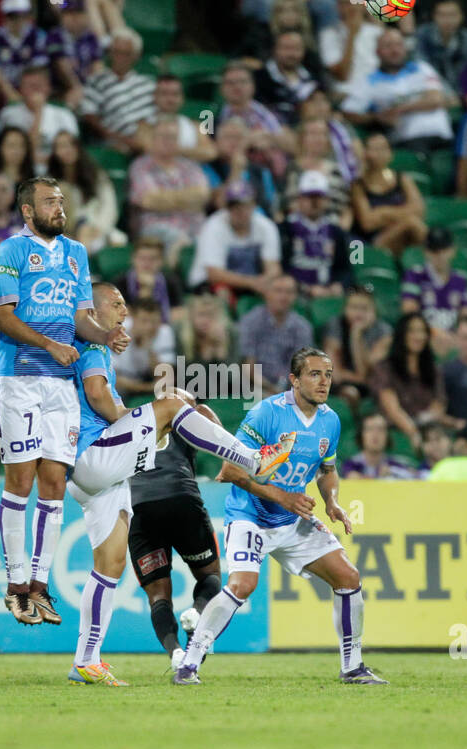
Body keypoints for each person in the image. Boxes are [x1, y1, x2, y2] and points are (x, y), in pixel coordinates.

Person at [66, 284, 297, 684]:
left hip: (90, 476)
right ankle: (253, 458)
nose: (125, 311)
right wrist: (138, 422)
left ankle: (86, 659)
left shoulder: (83, 345)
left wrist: (140, 429)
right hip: (95, 455)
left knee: (109, 566)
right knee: (174, 402)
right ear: (93, 310)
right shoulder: (93, 350)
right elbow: (99, 396)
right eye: (116, 304)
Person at [175, 347, 384, 685]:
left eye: (328, 375)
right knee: (243, 585)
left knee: (348, 578)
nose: (323, 382)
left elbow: (327, 470)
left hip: (290, 521)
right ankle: (189, 662)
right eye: (314, 374)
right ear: (294, 379)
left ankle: (353, 666)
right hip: (250, 514)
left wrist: (331, 501)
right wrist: (282, 496)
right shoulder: (266, 414)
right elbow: (230, 471)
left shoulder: (330, 419)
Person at [0, 177, 127, 625]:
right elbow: (3, 317)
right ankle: (14, 584)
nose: (59, 208)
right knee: (21, 481)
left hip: (59, 385)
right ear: (27, 211)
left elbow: (79, 318)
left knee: (53, 483)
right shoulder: (10, 252)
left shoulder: (76, 254)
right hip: (19, 379)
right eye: (49, 202)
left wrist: (105, 335)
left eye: (62, 201)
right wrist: (50, 344)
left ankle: (40, 586)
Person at [128, 405, 226, 668]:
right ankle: (197, 612)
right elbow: (216, 431)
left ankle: (176, 654)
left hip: (138, 505)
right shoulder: (186, 421)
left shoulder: (129, 425)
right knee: (210, 576)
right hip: (181, 496)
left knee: (158, 596)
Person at [340, 28, 452, 156]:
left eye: (399, 44)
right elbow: (348, 112)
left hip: (443, 137)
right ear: (377, 52)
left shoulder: (421, 68)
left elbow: (435, 100)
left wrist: (398, 109)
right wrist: (377, 117)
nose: (395, 50)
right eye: (388, 46)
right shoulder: (368, 81)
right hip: (407, 142)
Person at [128, 116, 212, 268]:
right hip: (157, 227)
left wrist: (164, 198)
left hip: (195, 227)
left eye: (173, 137)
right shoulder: (141, 166)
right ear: (153, 139)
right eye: (163, 137)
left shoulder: (189, 166)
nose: (168, 141)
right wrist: (187, 199)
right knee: (178, 240)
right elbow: (148, 200)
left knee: (213, 237)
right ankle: (173, 284)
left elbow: (203, 195)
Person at [187, 181, 282, 300]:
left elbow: (273, 266)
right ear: (227, 208)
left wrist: (265, 280)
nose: (241, 211)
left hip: (252, 283)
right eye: (235, 207)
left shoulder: (265, 226)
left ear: (254, 205)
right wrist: (252, 283)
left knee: (279, 290)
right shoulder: (213, 227)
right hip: (208, 283)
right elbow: (214, 274)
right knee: (222, 293)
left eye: (245, 206)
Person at [370, 312, 445, 452]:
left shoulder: (433, 369)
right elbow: (392, 409)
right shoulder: (385, 368)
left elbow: (439, 403)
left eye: (422, 331)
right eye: (412, 331)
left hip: (428, 429)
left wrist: (427, 426)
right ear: (402, 335)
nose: (419, 336)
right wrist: (414, 432)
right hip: (398, 431)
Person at [78, 29, 157, 155]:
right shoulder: (97, 81)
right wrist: (117, 138)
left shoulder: (148, 83)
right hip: (120, 140)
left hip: (152, 136)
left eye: (125, 53)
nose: (119, 58)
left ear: (135, 56)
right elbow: (89, 116)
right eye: (116, 52)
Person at [350, 130, 427, 255]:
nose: (379, 153)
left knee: (414, 223)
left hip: (403, 236)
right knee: (411, 222)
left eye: (383, 148)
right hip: (372, 241)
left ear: (391, 153)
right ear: (365, 153)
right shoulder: (358, 185)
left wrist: (383, 212)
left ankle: (433, 265)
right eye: (374, 149)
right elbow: (367, 223)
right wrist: (403, 213)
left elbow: (419, 210)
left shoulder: (402, 178)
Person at [238, 273, 314, 395]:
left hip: (291, 388)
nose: (283, 297)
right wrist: (269, 388)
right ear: (267, 293)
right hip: (256, 386)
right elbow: (248, 366)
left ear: (295, 296)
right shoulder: (250, 321)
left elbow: (300, 368)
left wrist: (285, 390)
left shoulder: (303, 327)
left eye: (289, 292)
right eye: (278, 291)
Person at [46, 131, 120, 254]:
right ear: (54, 152)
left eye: (71, 145)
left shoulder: (96, 175)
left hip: (95, 229)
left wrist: (99, 228)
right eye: (62, 146)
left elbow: (109, 207)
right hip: (65, 231)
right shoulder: (49, 181)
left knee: (90, 238)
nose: (67, 150)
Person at [282, 171, 352, 296]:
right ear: (300, 199)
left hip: (328, 292)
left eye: (318, 197)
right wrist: (304, 288)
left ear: (327, 200)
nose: (314, 202)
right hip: (294, 293)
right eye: (309, 197)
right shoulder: (285, 228)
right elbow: (281, 268)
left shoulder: (335, 231)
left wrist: (339, 284)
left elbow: (345, 268)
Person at [324, 286, 392, 410]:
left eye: (364, 308)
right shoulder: (335, 325)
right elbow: (335, 373)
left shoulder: (383, 331)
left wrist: (356, 335)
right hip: (343, 384)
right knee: (349, 392)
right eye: (354, 307)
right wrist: (361, 379)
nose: (359, 313)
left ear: (374, 310)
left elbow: (366, 372)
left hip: (375, 385)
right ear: (345, 309)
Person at [0, 0, 50, 105]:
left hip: (30, 87)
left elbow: (39, 68)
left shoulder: (37, 35)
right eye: (12, 16)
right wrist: (10, 93)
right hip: (3, 90)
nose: (18, 20)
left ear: (28, 16)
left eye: (22, 16)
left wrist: (27, 92)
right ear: (4, 17)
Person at [400, 226, 467, 326]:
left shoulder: (461, 280)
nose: (439, 255)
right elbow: (409, 313)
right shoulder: (414, 275)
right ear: (425, 252)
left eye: (444, 250)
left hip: (454, 337)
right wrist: (434, 333)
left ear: (453, 250)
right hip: (424, 336)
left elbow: (466, 315)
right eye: (434, 251)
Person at [415, 0, 467, 94]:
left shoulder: (466, 38)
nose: (448, 20)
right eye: (442, 15)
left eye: (452, 15)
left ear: (461, 16)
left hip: (459, 95)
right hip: (431, 92)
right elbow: (423, 68)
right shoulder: (422, 35)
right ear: (434, 16)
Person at [341, 412, 417, 479]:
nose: (375, 434)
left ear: (387, 436)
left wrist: (394, 472)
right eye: (370, 429)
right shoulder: (352, 464)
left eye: (380, 429)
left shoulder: (394, 465)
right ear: (361, 435)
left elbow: (415, 476)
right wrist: (379, 477)